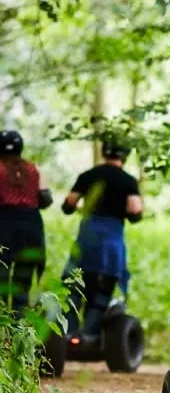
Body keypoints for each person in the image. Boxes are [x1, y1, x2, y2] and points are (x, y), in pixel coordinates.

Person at [61, 140, 143, 343]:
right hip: (111, 241)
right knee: (103, 288)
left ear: (104, 153)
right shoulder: (128, 181)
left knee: (75, 285)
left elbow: (69, 203)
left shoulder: (88, 175)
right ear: (124, 156)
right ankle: (90, 335)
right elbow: (135, 211)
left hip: (87, 238)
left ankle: (68, 333)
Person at [0, 130, 53, 314]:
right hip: (31, 228)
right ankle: (18, 333)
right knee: (22, 284)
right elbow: (45, 199)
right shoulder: (32, 169)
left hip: (5, 225)